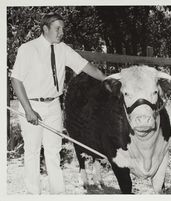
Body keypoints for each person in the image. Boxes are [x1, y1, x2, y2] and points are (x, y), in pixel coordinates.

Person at [11, 12, 106, 194]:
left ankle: (58, 193)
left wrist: (108, 80)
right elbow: (16, 80)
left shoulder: (63, 49)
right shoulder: (28, 48)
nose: (62, 32)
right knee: (32, 152)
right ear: (45, 29)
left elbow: (86, 67)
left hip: (54, 105)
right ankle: (34, 194)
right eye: (57, 28)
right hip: (31, 105)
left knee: (53, 152)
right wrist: (28, 110)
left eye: (63, 28)